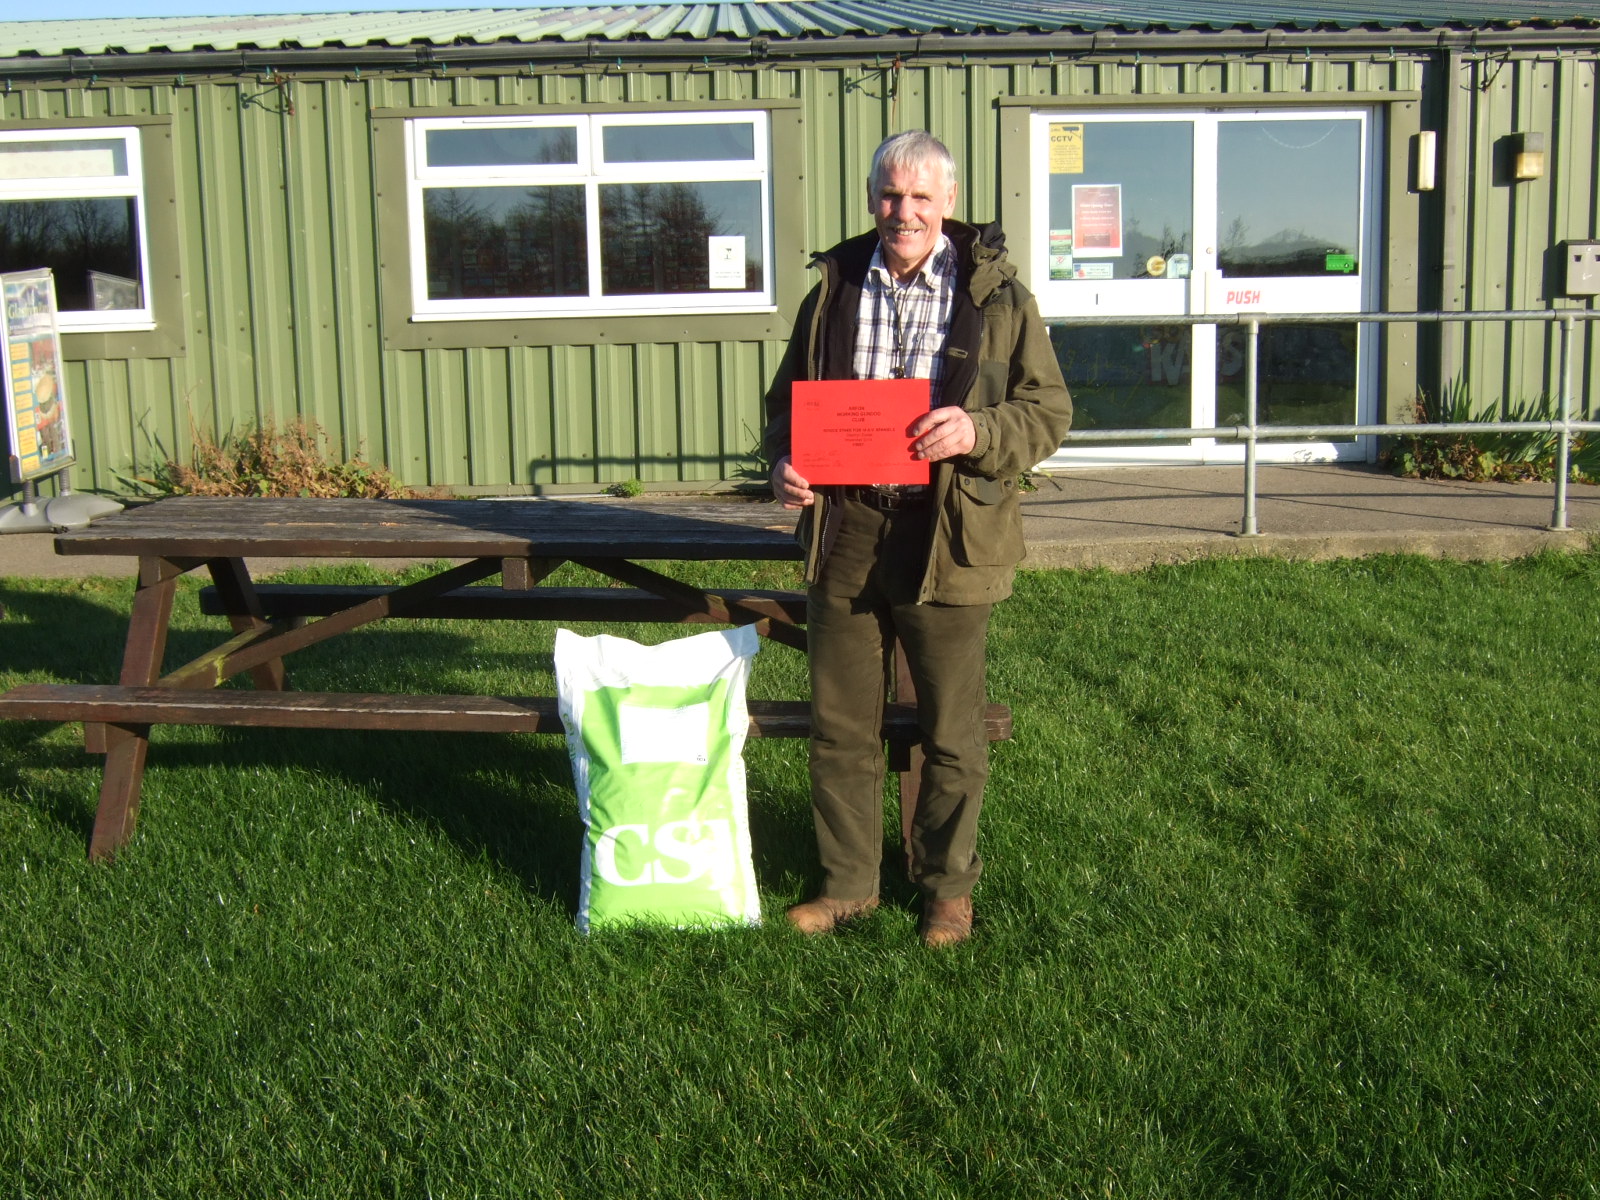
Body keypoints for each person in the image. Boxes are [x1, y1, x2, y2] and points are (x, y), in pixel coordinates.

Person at [762, 129, 1073, 947]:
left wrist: (975, 429)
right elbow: (784, 406)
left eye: (921, 198)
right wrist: (785, 463)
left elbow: (1049, 412)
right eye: (891, 196)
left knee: (951, 730)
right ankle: (847, 886)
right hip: (846, 527)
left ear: (949, 203)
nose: (904, 212)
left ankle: (946, 890)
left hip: (949, 531)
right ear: (872, 198)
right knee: (839, 726)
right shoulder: (831, 289)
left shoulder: (998, 299)